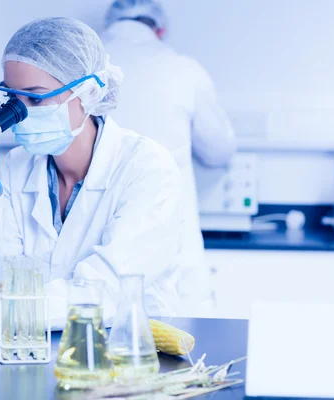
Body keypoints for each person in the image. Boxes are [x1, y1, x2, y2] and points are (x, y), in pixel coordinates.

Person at [0, 17, 187, 339]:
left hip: (124, 359)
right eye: (14, 99)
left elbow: (102, 296)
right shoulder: (17, 166)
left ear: (86, 92)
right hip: (34, 353)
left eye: (36, 97)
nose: (22, 112)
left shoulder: (147, 169)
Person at [101, 0, 237, 315]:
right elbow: (219, 150)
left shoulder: (86, 69)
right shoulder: (183, 68)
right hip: (171, 229)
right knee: (180, 341)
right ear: (160, 30)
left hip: (97, 230)